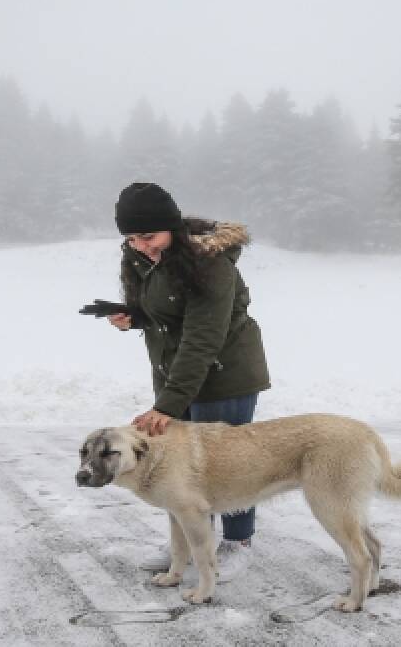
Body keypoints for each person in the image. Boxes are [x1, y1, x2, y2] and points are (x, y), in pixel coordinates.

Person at [105, 181, 271, 580]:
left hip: (223, 373)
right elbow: (163, 310)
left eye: (148, 235)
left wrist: (167, 404)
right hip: (174, 371)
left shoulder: (210, 263)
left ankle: (238, 541)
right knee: (183, 464)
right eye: (130, 238)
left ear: (172, 227)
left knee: (230, 463)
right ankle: (189, 540)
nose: (140, 245)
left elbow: (203, 337)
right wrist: (135, 317)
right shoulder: (141, 257)